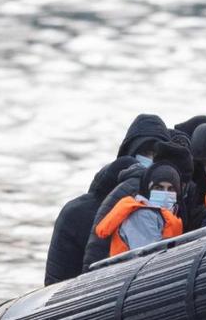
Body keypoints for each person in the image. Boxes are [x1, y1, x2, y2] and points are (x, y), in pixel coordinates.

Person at [44, 114, 168, 286]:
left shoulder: (164, 207)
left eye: (157, 155)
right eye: (146, 153)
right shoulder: (79, 212)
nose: (150, 160)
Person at [92, 162, 185, 259]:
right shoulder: (141, 214)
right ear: (147, 189)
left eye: (171, 189)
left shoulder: (167, 215)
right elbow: (149, 258)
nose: (165, 193)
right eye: (158, 188)